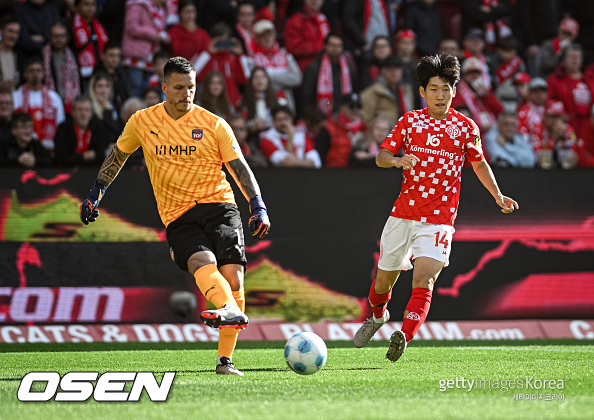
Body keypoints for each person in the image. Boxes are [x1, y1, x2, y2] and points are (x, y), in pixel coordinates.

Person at [79, 57, 270, 376]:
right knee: (200, 263)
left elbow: (238, 167)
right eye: (179, 88)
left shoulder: (214, 123)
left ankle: (225, 359)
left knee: (233, 275)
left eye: (191, 87)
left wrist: (257, 204)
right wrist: (96, 191)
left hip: (219, 205)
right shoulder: (142, 121)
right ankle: (230, 311)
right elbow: (118, 156)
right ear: (164, 87)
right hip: (178, 215)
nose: (186, 93)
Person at [353, 53, 518, 362]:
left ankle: (404, 333)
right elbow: (381, 156)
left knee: (424, 280)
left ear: (454, 91)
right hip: (403, 214)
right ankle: (377, 317)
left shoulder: (466, 128)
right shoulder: (409, 121)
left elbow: (480, 164)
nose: (440, 95)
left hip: (439, 220)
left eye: (445, 88)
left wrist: (497, 195)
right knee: (383, 283)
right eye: (433, 88)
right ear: (422, 92)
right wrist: (398, 159)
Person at [13, 58, 66, 152]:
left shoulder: (54, 98)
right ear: (25, 74)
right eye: (31, 71)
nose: (35, 74)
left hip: (49, 149)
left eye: (38, 70)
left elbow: (60, 125)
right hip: (23, 149)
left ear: (44, 73)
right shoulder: (16, 96)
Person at [249, 19, 302, 114]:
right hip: (263, 104)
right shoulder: (252, 58)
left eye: (270, 34)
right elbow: (255, 83)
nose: (267, 38)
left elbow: (296, 78)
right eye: (263, 36)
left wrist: (268, 76)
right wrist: (284, 79)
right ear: (257, 39)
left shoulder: (285, 54)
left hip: (286, 102)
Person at [121, 0, 170, 97]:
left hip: (151, 60)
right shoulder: (138, 4)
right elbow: (131, 27)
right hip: (135, 59)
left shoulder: (163, 9)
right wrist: (155, 35)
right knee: (135, 92)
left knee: (150, 92)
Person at [547, 44, 594, 144]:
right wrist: (559, 115)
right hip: (565, 126)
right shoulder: (555, 80)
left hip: (587, 127)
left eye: (578, 57)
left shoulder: (590, 80)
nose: (575, 60)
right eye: (571, 56)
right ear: (563, 60)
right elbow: (548, 102)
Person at [301, 34, 356, 118]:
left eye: (338, 46)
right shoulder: (313, 68)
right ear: (325, 46)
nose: (335, 49)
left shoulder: (347, 68)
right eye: (332, 45)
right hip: (319, 116)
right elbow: (306, 97)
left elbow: (351, 93)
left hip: (343, 114)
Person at [193, 22, 248, 106]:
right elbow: (194, 75)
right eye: (219, 42)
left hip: (232, 104)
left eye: (225, 41)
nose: (222, 45)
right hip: (211, 105)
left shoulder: (233, 58)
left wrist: (239, 55)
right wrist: (208, 52)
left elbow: (244, 78)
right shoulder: (205, 57)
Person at [451, 56, 503, 134]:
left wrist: (488, 96)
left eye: (477, 73)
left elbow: (500, 111)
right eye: (470, 73)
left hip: (491, 132)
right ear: (463, 76)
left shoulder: (485, 93)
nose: (474, 76)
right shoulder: (458, 95)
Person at [54, 95, 107, 166]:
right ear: (73, 112)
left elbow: (101, 156)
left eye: (86, 110)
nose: (83, 113)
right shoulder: (63, 128)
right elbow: (60, 158)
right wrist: (84, 156)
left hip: (93, 171)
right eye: (80, 109)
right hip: (67, 171)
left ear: (91, 113)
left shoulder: (99, 128)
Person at [315, 93, 365, 167]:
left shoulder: (364, 128)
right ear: (342, 108)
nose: (356, 110)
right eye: (351, 106)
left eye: (359, 106)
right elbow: (320, 156)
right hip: (334, 173)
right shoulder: (329, 128)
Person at [67, 0, 109, 89]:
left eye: (93, 4)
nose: (90, 8)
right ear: (78, 6)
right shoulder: (70, 25)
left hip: (99, 72)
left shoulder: (99, 24)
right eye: (86, 4)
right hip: (79, 74)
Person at [360, 54, 410, 127]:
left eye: (397, 68)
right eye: (390, 69)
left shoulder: (406, 90)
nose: (394, 72)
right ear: (383, 70)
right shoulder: (373, 92)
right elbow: (364, 120)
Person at [42, 22, 81, 114]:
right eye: (56, 36)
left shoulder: (74, 56)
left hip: (71, 107)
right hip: (49, 104)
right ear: (50, 37)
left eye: (62, 36)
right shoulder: (42, 56)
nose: (59, 39)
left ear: (67, 37)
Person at [283, 0, 330, 73]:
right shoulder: (296, 20)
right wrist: (321, 47)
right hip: (305, 69)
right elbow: (293, 47)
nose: (315, 1)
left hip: (325, 66)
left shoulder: (323, 19)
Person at [237, 67, 279, 142]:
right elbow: (239, 126)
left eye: (263, 77)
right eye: (256, 77)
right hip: (251, 140)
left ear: (268, 80)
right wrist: (252, 127)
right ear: (251, 81)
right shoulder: (243, 103)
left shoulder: (277, 101)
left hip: (274, 139)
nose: (259, 80)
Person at [93, 41, 129, 112]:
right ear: (103, 56)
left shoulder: (120, 72)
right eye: (111, 55)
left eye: (118, 56)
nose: (115, 59)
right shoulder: (97, 74)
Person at [88, 72, 124, 141]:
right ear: (93, 88)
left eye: (107, 86)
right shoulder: (89, 107)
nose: (104, 90)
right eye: (100, 86)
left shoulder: (114, 106)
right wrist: (106, 109)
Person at [0, 18, 20, 92]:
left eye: (17, 32)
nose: (13, 36)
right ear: (2, 32)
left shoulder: (18, 55)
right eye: (10, 31)